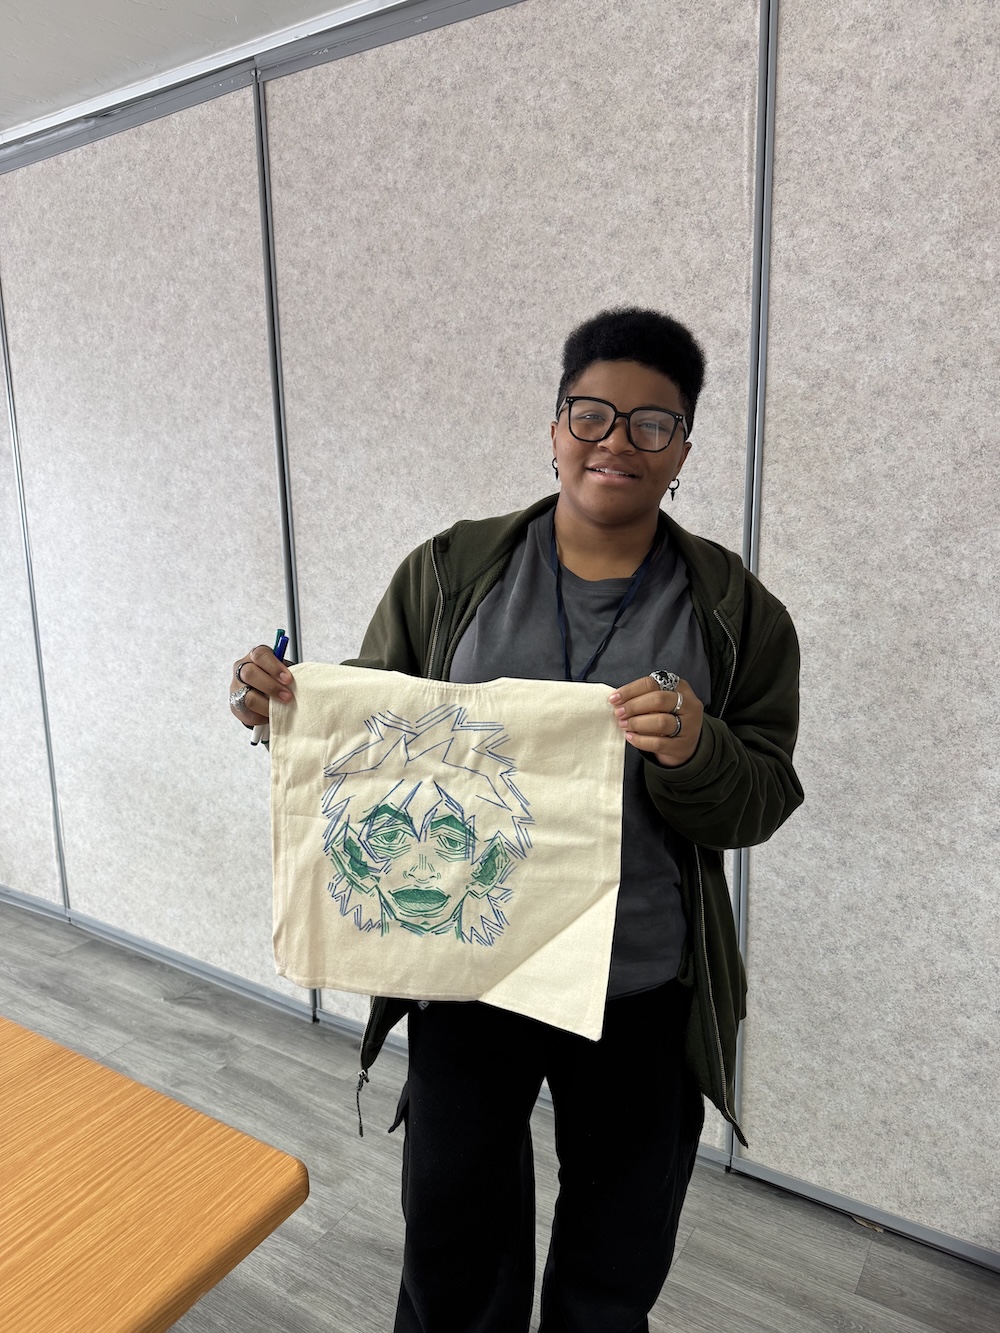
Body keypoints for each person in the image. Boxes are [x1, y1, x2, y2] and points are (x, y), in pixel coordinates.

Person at [229, 308, 803, 1333]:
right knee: (452, 1248)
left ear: (681, 451)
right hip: (468, 964)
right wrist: (284, 708)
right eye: (591, 412)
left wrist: (693, 748)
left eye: (650, 424)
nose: (615, 441)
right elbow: (372, 723)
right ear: (552, 427)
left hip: (641, 979)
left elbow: (761, 796)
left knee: (612, 1261)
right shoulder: (451, 570)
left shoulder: (734, 612)